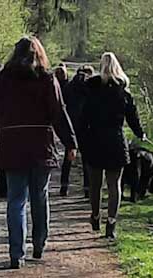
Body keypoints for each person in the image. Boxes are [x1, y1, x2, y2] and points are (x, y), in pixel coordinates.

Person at [0, 36, 77, 269]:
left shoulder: (4, 79)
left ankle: (17, 252)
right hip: (40, 146)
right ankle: (39, 244)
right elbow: (58, 112)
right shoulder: (47, 79)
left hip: (12, 146)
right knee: (39, 197)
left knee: (16, 200)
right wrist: (70, 142)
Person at [81, 52, 145, 240]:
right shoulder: (123, 93)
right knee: (114, 184)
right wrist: (140, 133)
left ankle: (95, 215)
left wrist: (82, 138)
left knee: (95, 184)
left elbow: (84, 117)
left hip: (95, 140)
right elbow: (133, 118)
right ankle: (111, 222)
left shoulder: (92, 90)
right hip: (116, 140)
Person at [59, 65, 95, 197]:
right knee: (86, 158)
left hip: (71, 124)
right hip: (86, 125)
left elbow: (63, 104)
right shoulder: (90, 87)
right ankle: (87, 188)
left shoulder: (69, 86)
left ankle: (64, 185)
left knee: (68, 155)